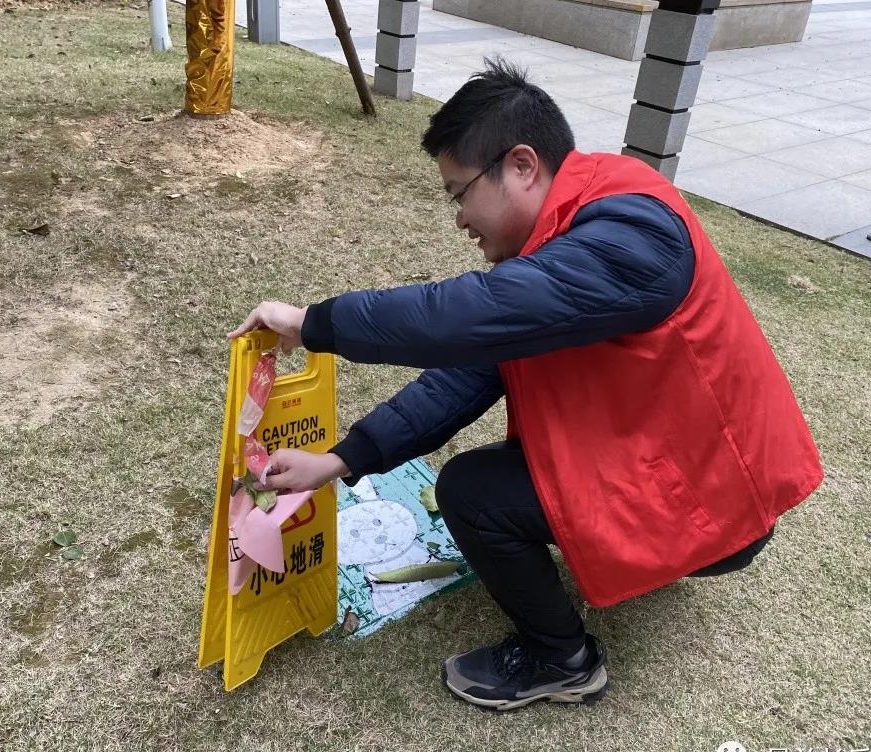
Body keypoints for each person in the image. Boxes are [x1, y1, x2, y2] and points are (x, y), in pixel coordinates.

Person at [228, 60, 823, 712]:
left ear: (521, 165)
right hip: (684, 468)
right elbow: (467, 372)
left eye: (459, 193)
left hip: (719, 504)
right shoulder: (565, 239)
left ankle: (561, 660)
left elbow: (466, 317)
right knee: (499, 477)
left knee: (473, 493)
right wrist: (342, 460)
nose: (459, 218)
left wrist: (316, 323)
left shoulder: (633, 235)